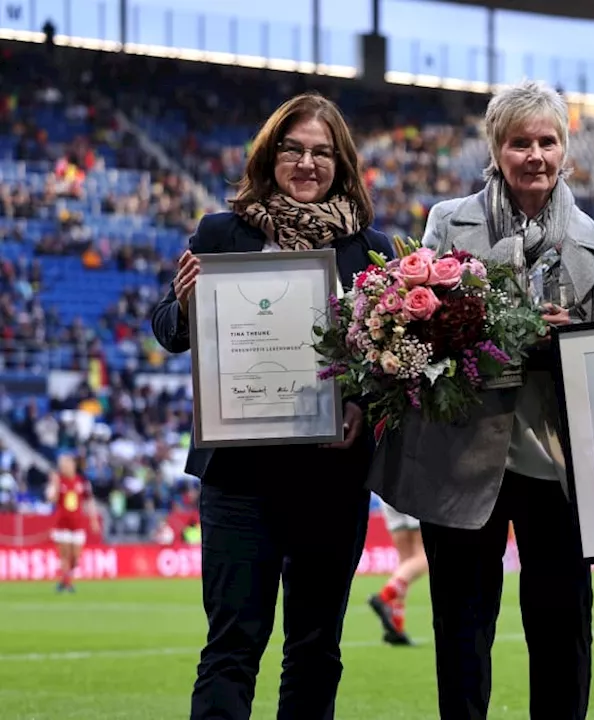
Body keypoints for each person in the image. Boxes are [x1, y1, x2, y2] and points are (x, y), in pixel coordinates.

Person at [370, 79, 594, 720]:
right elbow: (415, 329)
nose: (535, 155)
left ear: (566, 149)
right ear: (496, 148)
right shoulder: (446, 223)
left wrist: (580, 343)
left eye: (547, 141)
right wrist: (480, 327)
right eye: (520, 142)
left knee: (561, 634)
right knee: (462, 635)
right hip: (460, 455)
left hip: (560, 468)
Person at [150, 92, 394, 720]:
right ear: (271, 154)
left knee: (315, 649)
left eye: (322, 152)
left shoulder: (376, 252)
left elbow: (392, 367)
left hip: (331, 476)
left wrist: (364, 407)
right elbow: (169, 331)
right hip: (239, 478)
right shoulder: (221, 232)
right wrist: (182, 307)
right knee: (232, 645)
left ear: (342, 163)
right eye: (294, 149)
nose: (307, 163)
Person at [367, 496, 428, 646]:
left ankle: (396, 628)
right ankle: (384, 597)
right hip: (415, 488)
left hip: (388, 491)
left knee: (406, 560)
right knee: (425, 556)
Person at [46, 453, 100, 593]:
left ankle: (65, 580)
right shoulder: (59, 481)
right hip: (62, 523)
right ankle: (67, 583)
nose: (65, 468)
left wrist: (93, 520)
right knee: (64, 556)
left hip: (77, 523)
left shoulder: (82, 482)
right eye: (63, 466)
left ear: (73, 466)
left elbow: (89, 501)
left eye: (67, 465)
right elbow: (51, 499)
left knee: (75, 558)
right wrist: (54, 484)